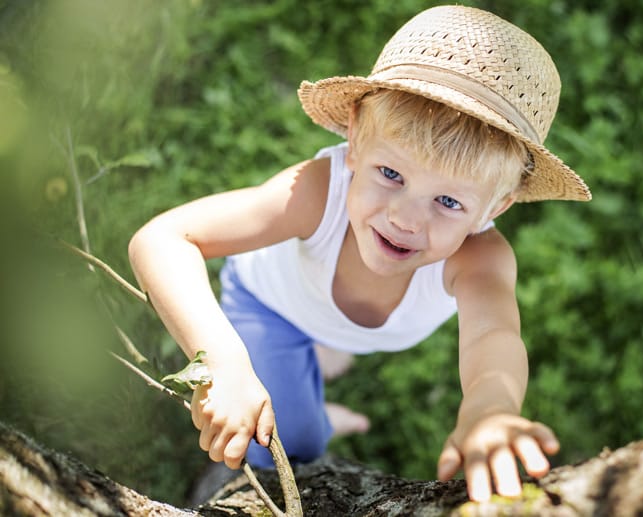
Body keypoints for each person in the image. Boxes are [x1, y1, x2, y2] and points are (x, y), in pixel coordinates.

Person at [128, 4, 591, 503]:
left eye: (449, 202)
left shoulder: (480, 259)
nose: (407, 220)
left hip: (325, 311)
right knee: (292, 441)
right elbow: (163, 239)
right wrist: (223, 361)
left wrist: (490, 410)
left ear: (494, 207)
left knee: (311, 363)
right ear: (354, 143)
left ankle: (318, 364)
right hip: (272, 305)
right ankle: (310, 410)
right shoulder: (317, 193)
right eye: (391, 175)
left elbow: (494, 338)